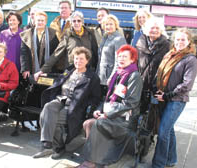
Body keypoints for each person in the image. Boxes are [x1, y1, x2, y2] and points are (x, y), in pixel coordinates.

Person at [79, 45, 143, 167]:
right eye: (119, 57)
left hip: (125, 120)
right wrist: (99, 110)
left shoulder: (134, 76)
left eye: (125, 57)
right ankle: (94, 155)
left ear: (132, 59)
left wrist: (107, 114)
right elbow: (108, 98)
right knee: (88, 123)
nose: (121, 59)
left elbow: (131, 103)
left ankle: (91, 162)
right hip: (112, 114)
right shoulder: (118, 74)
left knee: (98, 124)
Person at [32, 47, 101, 159]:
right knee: (48, 107)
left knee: (49, 118)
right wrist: (44, 74)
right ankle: (47, 144)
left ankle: (57, 147)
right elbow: (58, 81)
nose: (78, 61)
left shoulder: (92, 77)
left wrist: (85, 106)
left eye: (82, 59)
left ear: (87, 60)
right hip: (61, 100)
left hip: (75, 107)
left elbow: (96, 97)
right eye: (76, 58)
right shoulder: (69, 71)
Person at [152, 28, 197, 168]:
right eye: (177, 39)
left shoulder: (190, 59)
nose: (180, 42)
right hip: (163, 97)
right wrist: (158, 91)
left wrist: (167, 95)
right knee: (169, 130)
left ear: (189, 42)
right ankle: (171, 160)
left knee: (163, 132)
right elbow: (159, 73)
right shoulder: (169, 54)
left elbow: (187, 84)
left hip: (177, 100)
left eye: (183, 39)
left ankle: (158, 164)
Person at [40, 11, 98, 76]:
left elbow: (95, 53)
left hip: (87, 72)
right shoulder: (67, 35)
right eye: (74, 21)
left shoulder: (90, 34)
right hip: (71, 72)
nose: (76, 23)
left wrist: (96, 70)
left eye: (79, 21)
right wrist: (43, 70)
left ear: (82, 22)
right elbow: (57, 53)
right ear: (71, 23)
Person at [136, 17, 170, 115]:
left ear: (161, 30)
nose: (154, 30)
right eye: (152, 28)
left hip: (157, 85)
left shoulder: (166, 45)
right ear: (147, 29)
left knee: (154, 114)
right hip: (140, 83)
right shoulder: (140, 42)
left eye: (157, 28)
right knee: (137, 112)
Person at [20, 11, 59, 80]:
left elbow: (55, 52)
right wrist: (25, 69)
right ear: (34, 21)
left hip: (48, 71)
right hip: (31, 71)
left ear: (46, 22)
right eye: (38, 20)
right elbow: (23, 53)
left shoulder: (52, 33)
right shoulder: (27, 34)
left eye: (42, 20)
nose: (40, 22)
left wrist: (50, 69)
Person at [96, 14, 127, 96]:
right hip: (101, 76)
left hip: (110, 78)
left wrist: (112, 77)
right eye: (106, 24)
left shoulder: (119, 39)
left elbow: (119, 61)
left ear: (116, 25)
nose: (108, 26)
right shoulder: (105, 37)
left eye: (111, 24)